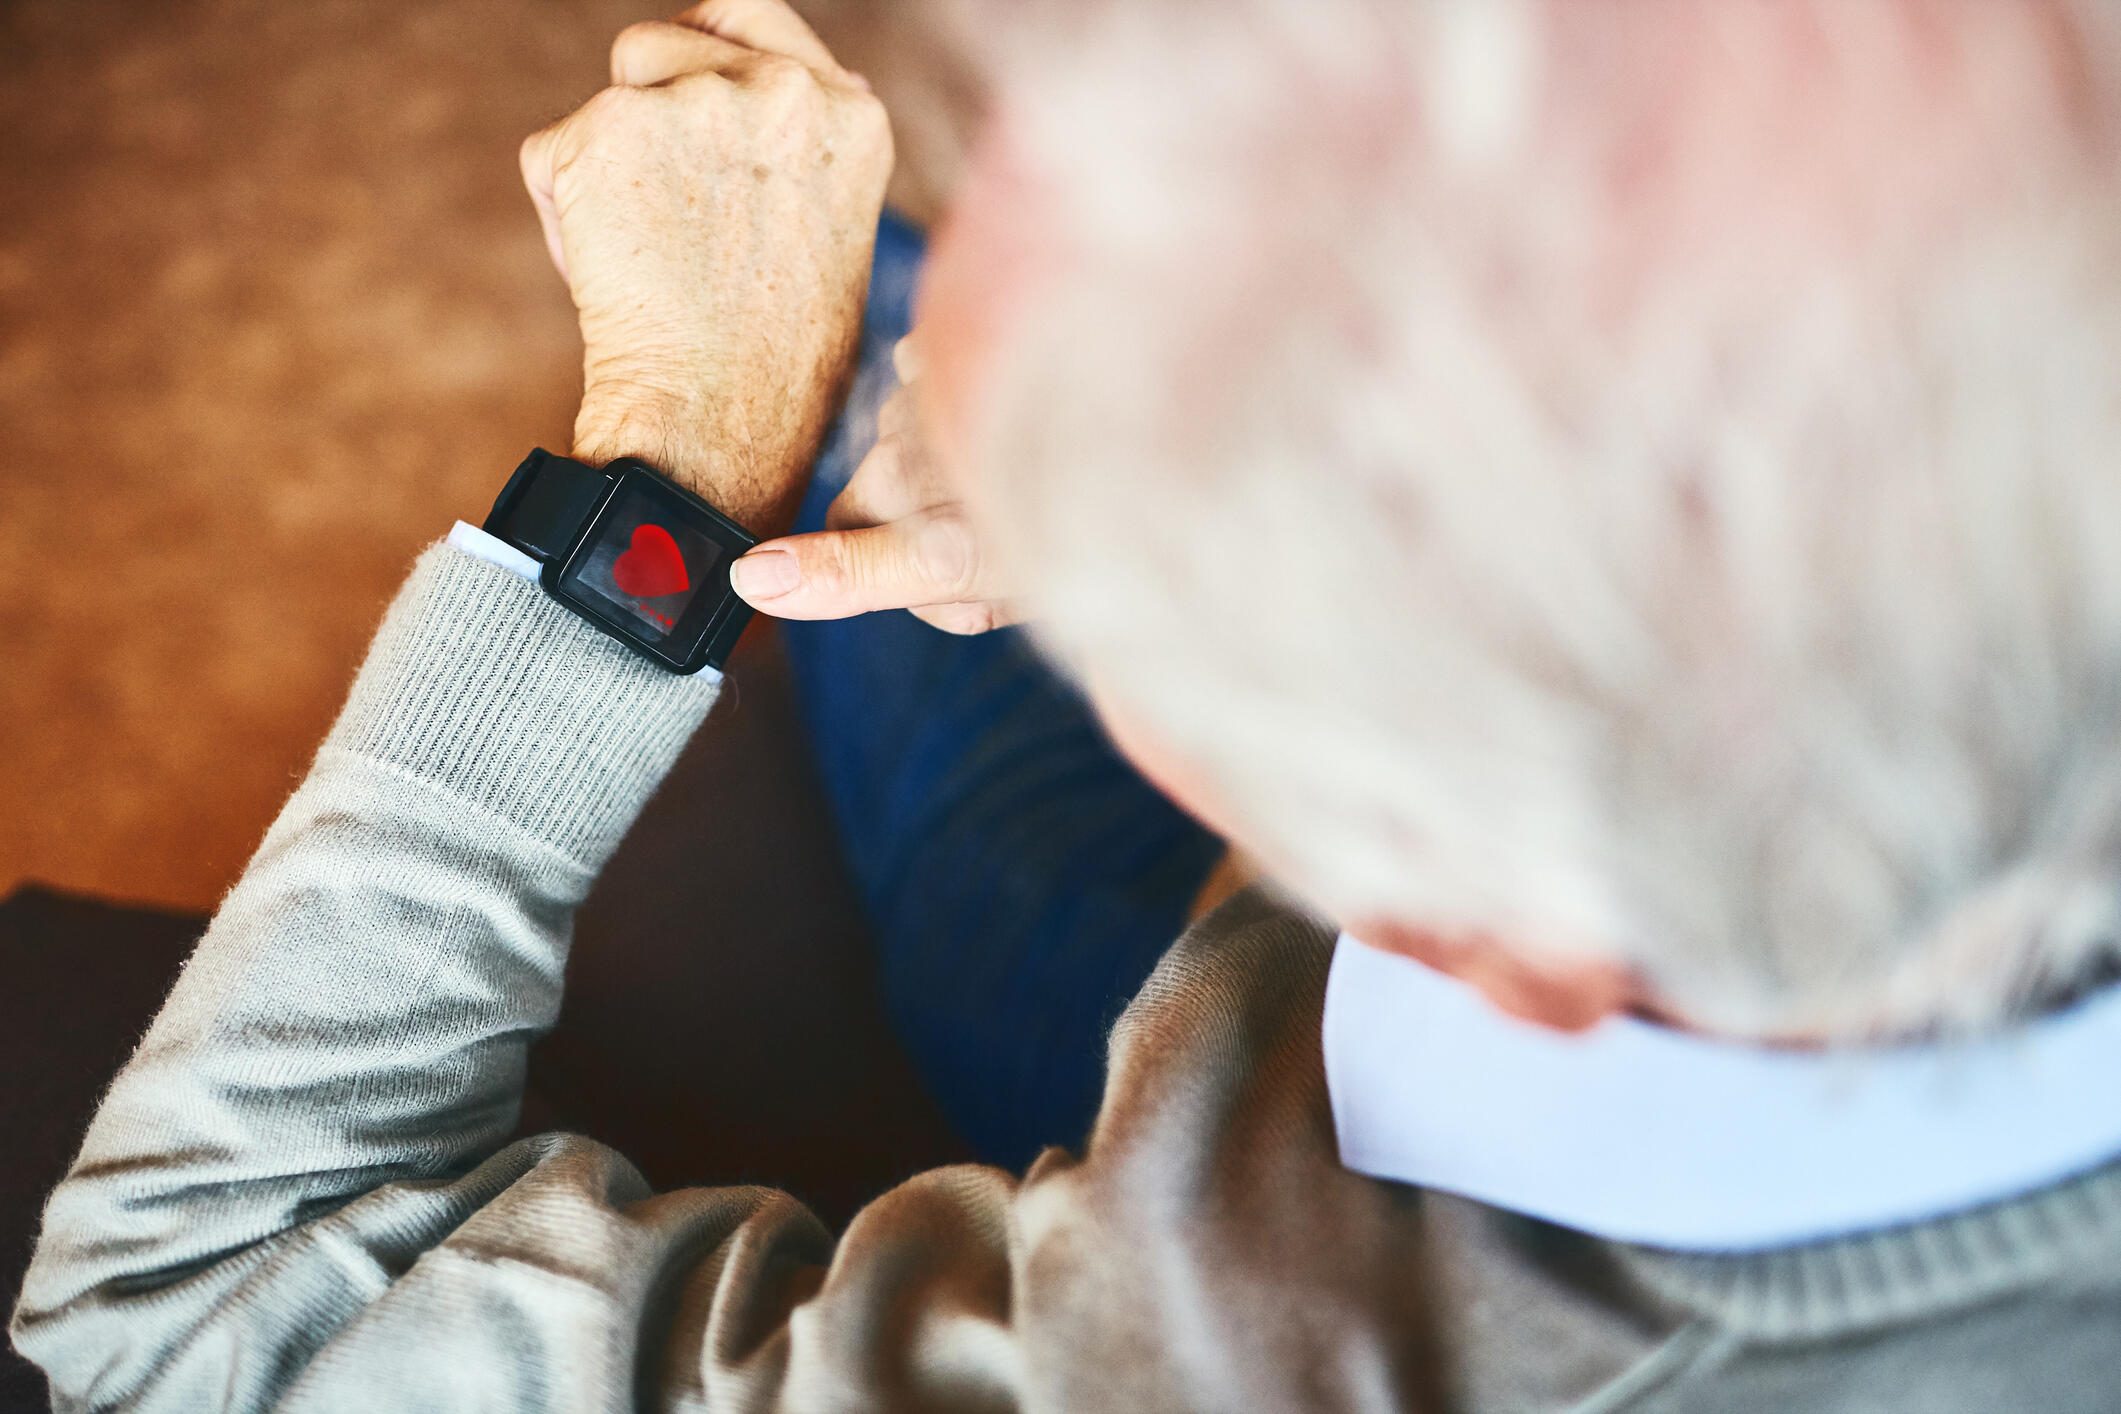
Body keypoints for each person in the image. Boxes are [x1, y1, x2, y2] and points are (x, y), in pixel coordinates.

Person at [15, 0, 2121, 1409]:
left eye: (1118, 602)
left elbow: (187, 1305)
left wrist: (659, 461)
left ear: (1479, 916)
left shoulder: (1221, 1349)